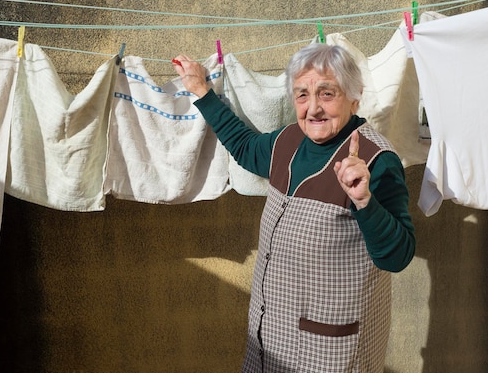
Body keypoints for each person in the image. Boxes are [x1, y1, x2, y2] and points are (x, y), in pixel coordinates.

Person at [172, 43, 415, 373]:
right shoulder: (287, 142)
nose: (313, 108)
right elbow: (244, 147)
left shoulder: (376, 161)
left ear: (354, 97)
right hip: (270, 341)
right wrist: (202, 90)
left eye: (326, 94)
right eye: (302, 95)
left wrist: (363, 201)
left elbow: (397, 256)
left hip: (328, 353)